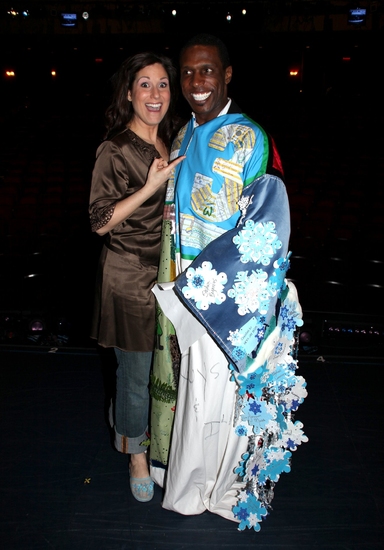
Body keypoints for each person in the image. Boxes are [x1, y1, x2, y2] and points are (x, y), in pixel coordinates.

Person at [150, 34, 308, 530]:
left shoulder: (250, 137)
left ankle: (222, 489)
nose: (198, 82)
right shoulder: (181, 136)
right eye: (190, 73)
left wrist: (217, 295)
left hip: (229, 298)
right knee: (197, 397)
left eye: (208, 71)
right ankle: (193, 484)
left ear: (228, 75)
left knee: (224, 401)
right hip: (188, 291)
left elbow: (268, 223)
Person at [89, 51, 184, 503]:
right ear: (129, 93)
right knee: (135, 376)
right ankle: (135, 456)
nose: (154, 93)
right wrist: (149, 187)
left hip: (166, 274)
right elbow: (99, 221)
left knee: (157, 370)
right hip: (128, 274)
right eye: (144, 84)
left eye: (162, 84)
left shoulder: (172, 140)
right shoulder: (116, 148)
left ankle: (128, 418)